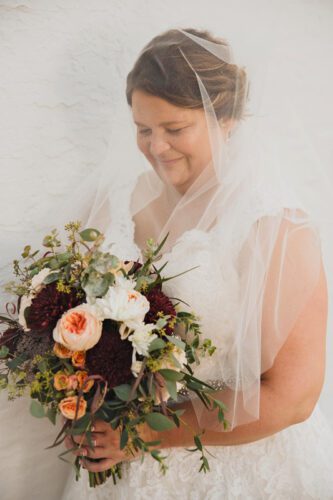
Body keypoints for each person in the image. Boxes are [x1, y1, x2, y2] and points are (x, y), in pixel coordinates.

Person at [60, 27, 333, 499]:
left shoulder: (276, 227)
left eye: (174, 129)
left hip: (233, 463)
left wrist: (146, 433)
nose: (156, 147)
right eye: (143, 129)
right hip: (121, 463)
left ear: (225, 118)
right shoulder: (118, 201)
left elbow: (294, 397)